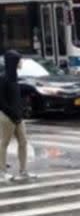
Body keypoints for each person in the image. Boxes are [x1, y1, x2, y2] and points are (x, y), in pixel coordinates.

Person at [0, 50, 34, 182]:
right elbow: (1, 101)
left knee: (23, 142)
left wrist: (21, 111)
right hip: (7, 117)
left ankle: (23, 171)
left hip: (18, 116)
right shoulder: (3, 78)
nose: (21, 62)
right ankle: (2, 172)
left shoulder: (15, 77)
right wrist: (11, 114)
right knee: (4, 143)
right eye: (19, 60)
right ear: (13, 62)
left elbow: (16, 98)